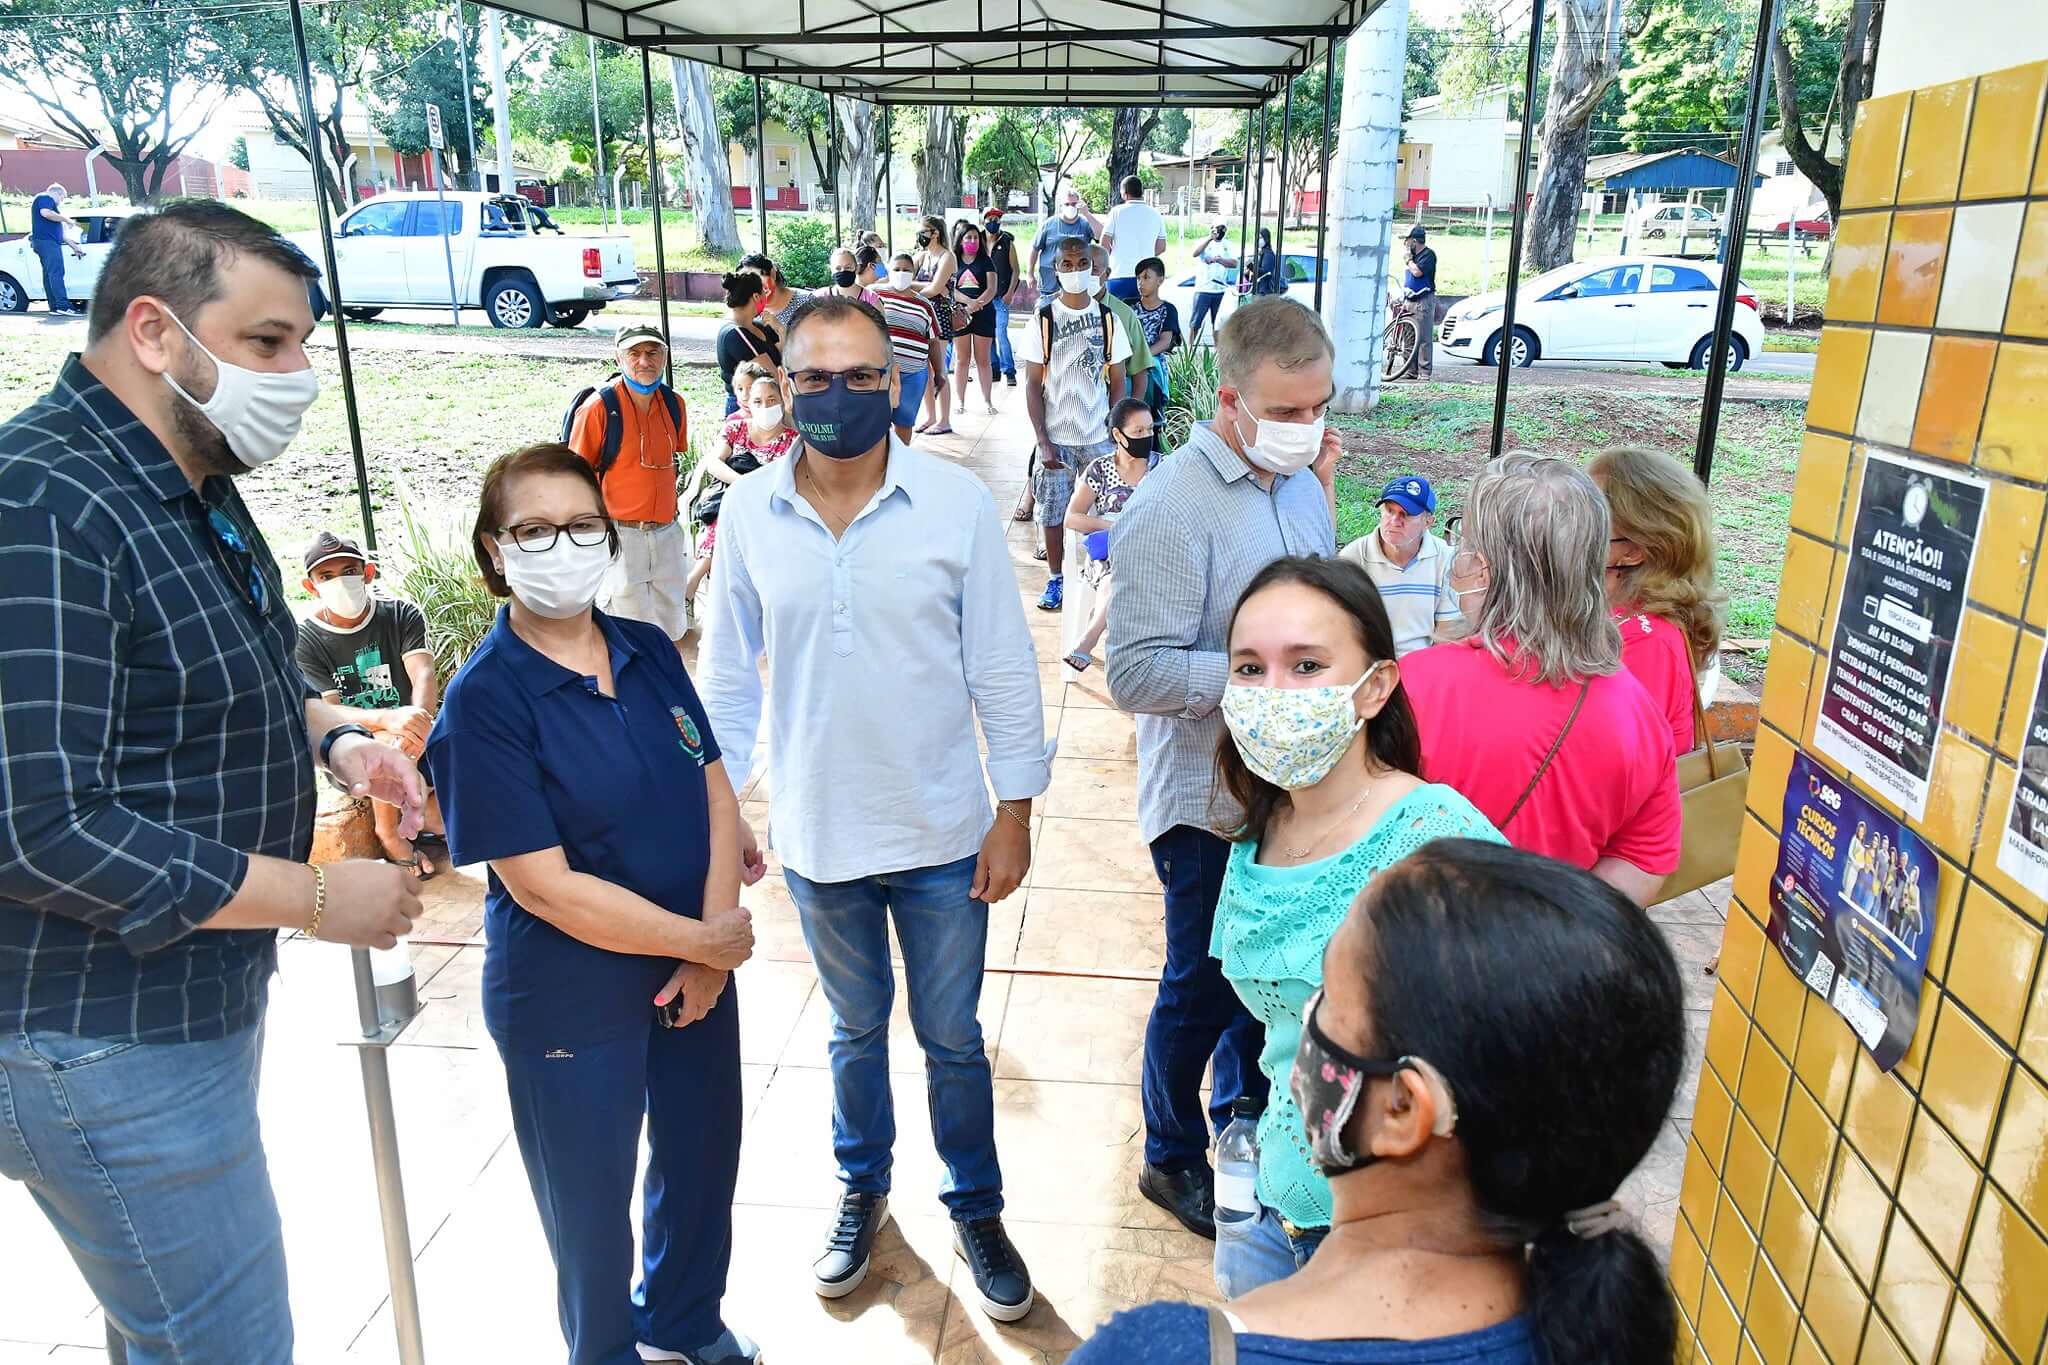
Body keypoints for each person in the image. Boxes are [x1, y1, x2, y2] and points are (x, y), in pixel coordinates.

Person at [0, 200, 425, 1363]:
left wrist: (338, 737)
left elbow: (221, 668)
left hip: (184, 1005)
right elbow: (37, 825)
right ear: (153, 330)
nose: (293, 375)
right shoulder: (42, 509)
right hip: (96, 1035)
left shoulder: (187, 469)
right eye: (266, 343)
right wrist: (318, 899)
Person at [699, 296, 1051, 1323]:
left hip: (943, 832)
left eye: (861, 375)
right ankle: (863, 1190)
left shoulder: (951, 506)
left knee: (948, 1037)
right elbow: (725, 678)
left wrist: (1014, 809)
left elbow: (998, 661)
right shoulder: (753, 512)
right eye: (813, 377)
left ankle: (975, 1206)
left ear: (895, 378)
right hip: (816, 835)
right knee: (854, 1032)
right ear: (782, 384)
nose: (837, 395)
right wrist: (724, 811)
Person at [1068, 840, 1686, 1365]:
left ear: (1401, 1111)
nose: (1304, 1023)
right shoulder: (1599, 1335)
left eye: (1330, 997)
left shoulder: (1164, 1352)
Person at [426, 442, 759, 1365]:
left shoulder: (647, 649)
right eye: (533, 529)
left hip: (692, 970)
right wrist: (705, 937)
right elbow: (547, 886)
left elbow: (716, 792)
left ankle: (684, 1317)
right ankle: (605, 1351)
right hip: (567, 993)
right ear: (495, 550)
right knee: (589, 1210)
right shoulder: (485, 700)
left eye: (580, 525)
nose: (560, 545)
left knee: (700, 1163)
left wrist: (703, 955)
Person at [1106, 297, 1341, 1241]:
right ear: (1232, 399)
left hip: (1293, 794)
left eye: (1318, 407)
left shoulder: (1303, 490)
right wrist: (1261, 678)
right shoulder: (1173, 506)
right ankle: (1169, 1156)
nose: (1307, 429)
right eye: (1287, 413)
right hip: (1205, 799)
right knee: (1199, 984)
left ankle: (1243, 1127)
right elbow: (1134, 670)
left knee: (1272, 979)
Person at [1208, 557, 1505, 1298]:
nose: (1271, 694)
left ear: (1375, 687)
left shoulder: (1433, 838)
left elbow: (1521, 1044)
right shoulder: (1265, 823)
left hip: (1385, 1240)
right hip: (1269, 1201)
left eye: (1306, 665)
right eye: (1249, 667)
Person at [1400, 455, 1682, 906]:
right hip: (1552, 959)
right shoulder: (1636, 708)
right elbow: (1645, 859)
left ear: (1488, 567)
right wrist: (1551, 925)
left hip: (1425, 940)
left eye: (1466, 539)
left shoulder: (1414, 686)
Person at [296, 529, 447, 866]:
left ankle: (421, 814)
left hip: (415, 741)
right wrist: (388, 721)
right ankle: (389, 833)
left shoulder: (400, 614)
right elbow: (330, 714)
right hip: (354, 749)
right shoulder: (306, 638)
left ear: (367, 573)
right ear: (311, 587)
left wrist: (417, 721)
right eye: (327, 576)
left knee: (453, 817)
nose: (340, 582)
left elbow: (422, 673)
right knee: (391, 745)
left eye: (350, 571)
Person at [1587, 446, 1727, 759]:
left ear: (1634, 551)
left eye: (1590, 519)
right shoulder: (1605, 607)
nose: (1571, 528)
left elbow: (1615, 764)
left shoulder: (1646, 640)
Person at [1015, 235, 1131, 612]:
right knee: (1052, 511)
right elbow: (1033, 384)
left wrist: (1118, 434)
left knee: (1104, 512)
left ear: (1090, 266)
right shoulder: (1044, 318)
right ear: (1056, 269)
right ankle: (1055, 579)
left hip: (1098, 437)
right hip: (1057, 438)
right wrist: (1042, 441)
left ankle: (1098, 576)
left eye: (1081, 262)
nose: (1074, 270)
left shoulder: (1108, 319)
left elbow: (1118, 380)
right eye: (1066, 264)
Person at [566, 324, 692, 645]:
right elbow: (574, 477)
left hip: (666, 531)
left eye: (652, 353)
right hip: (621, 535)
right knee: (624, 628)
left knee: (670, 626)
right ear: (618, 358)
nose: (644, 361)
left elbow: (670, 462)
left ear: (665, 356)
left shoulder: (675, 405)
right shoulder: (598, 409)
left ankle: (665, 691)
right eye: (634, 354)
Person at [688, 364, 797, 604]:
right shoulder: (735, 429)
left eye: (771, 400)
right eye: (758, 401)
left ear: (783, 401)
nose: (765, 407)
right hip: (732, 503)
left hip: (769, 513)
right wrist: (742, 484)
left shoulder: (793, 442)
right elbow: (714, 462)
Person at [1061, 398, 1156, 672]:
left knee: (1131, 574)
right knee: (1115, 577)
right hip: (1110, 553)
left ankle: (1089, 643)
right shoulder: (1100, 470)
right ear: (1118, 434)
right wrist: (1114, 527)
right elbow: (1072, 517)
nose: (1146, 437)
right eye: (1138, 432)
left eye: (1149, 430)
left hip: (1152, 551)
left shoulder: (1163, 467)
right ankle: (1089, 641)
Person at [1337, 476, 1466, 657]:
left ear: (1428, 522)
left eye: (1405, 514)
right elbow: (1340, 628)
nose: (1395, 520)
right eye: (1389, 511)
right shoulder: (1354, 557)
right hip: (1368, 664)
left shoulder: (1445, 558)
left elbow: (1446, 635)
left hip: (1422, 666)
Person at [873, 252, 944, 445]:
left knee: (905, 421)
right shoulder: (874, 295)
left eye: (906, 270)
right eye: (897, 269)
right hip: (880, 372)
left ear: (914, 273)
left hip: (913, 374)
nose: (901, 274)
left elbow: (933, 342)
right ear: (889, 270)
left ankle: (900, 461)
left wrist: (939, 372)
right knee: (876, 422)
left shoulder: (924, 304)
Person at [715, 271, 783, 417]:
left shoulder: (758, 325)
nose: (766, 296)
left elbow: (785, 354)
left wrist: (779, 328)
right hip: (750, 406)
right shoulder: (736, 334)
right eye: (764, 292)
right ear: (756, 297)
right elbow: (772, 374)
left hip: (767, 401)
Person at [1094, 244, 1154, 407]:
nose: (1086, 275)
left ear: (1106, 274)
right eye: (1083, 268)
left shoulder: (1123, 314)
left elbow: (1139, 369)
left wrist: (1131, 414)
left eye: (1094, 269)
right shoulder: (1059, 311)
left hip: (1109, 408)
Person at [912, 216, 957, 436]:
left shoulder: (947, 257)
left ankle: (944, 419)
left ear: (935, 233)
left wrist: (910, 288)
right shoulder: (922, 257)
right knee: (925, 369)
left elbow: (936, 287)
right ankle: (930, 416)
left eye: (923, 231)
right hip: (921, 314)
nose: (919, 236)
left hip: (939, 316)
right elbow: (903, 275)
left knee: (939, 369)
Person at [951, 219, 1000, 415]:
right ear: (960, 240)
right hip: (959, 315)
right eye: (968, 237)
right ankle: (960, 401)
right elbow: (950, 288)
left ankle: (988, 400)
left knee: (983, 360)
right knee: (962, 360)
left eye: (975, 237)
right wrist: (966, 305)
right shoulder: (953, 260)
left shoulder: (986, 261)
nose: (973, 241)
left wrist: (976, 305)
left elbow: (991, 288)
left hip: (984, 315)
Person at [1130, 256, 1182, 419]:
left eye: (1146, 277)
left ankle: (1153, 416)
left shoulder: (1168, 309)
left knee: (1150, 370)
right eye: (1138, 278)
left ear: (1160, 280)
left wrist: (1141, 357)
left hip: (1152, 360)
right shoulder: (1129, 306)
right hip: (1128, 358)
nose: (1141, 283)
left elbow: (1165, 342)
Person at [1102, 175, 1167, 302]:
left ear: (1124, 193)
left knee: (1116, 318)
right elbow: (1161, 247)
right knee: (1142, 318)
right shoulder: (1155, 214)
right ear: (1141, 192)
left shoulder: (1116, 212)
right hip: (1147, 276)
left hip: (1119, 274)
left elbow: (1104, 244)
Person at [1029, 189, 1100, 299]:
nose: (1070, 207)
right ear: (1061, 206)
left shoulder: (1085, 224)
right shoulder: (1049, 224)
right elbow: (1034, 249)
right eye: (1067, 204)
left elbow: (1100, 236)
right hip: (1050, 283)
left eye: (1074, 204)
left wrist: (1087, 214)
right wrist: (1030, 274)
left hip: (1076, 281)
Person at [30, 182, 87, 316]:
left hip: (46, 242)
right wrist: (66, 219)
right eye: (62, 199)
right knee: (56, 273)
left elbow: (60, 234)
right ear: (58, 193)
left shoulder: (48, 203)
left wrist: (74, 246)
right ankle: (63, 306)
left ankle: (55, 307)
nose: (60, 202)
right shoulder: (45, 198)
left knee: (49, 274)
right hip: (47, 243)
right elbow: (45, 213)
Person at [983, 205, 1022, 386]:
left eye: (996, 219)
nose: (993, 222)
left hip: (1000, 297)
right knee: (988, 335)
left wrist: (1009, 293)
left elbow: (1016, 270)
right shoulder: (978, 242)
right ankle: (994, 369)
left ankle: (1010, 371)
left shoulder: (1007, 243)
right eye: (990, 219)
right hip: (983, 297)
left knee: (1001, 334)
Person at [1399, 224, 1438, 378]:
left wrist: (1408, 260)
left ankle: (1424, 372)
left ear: (1415, 241)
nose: (1406, 245)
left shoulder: (1428, 255)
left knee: (1423, 337)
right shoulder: (1413, 257)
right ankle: (1409, 370)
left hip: (1423, 300)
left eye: (1408, 241)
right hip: (1409, 299)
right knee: (1408, 336)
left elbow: (1417, 272)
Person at [1189, 222, 1237, 344]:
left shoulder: (1228, 245)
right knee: (1196, 323)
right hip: (1203, 289)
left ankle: (1218, 351)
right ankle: (1189, 349)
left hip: (1219, 289)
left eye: (1222, 229)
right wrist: (1209, 239)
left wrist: (1220, 260)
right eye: (1217, 229)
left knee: (1217, 325)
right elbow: (1195, 253)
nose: (1219, 232)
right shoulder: (1203, 241)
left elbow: (1234, 263)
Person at [738, 252, 808, 331]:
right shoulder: (748, 313)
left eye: (757, 278)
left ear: (772, 274)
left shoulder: (807, 303)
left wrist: (780, 329)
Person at [1252, 227, 1280, 296]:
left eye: (1261, 237)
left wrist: (1251, 266)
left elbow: (1266, 272)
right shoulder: (1262, 252)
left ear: (1266, 238)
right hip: (1260, 289)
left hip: (1264, 291)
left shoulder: (1268, 254)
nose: (1258, 240)